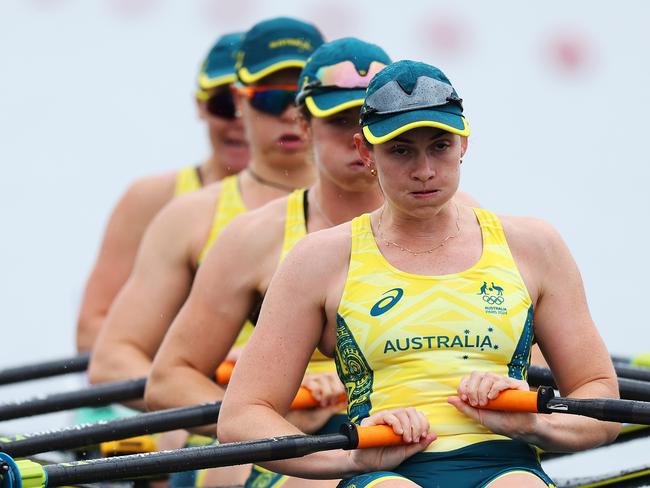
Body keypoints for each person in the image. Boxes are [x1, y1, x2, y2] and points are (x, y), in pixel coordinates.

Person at [217, 60, 620, 488]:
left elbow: (599, 397)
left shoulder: (534, 245)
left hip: (508, 465)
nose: (424, 169)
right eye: (401, 149)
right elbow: (242, 417)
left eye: (440, 146)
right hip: (385, 473)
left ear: (464, 142)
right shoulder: (319, 259)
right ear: (364, 152)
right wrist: (349, 459)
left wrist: (533, 426)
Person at [146, 40, 479, 488]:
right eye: (339, 120)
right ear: (303, 125)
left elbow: (531, 364)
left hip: (422, 439)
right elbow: (168, 382)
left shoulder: (472, 226)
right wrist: (285, 412)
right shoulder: (252, 237)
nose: (359, 133)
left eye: (373, 118)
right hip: (301, 445)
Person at [87, 16, 324, 487]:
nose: (290, 115)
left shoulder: (396, 208)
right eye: (272, 99)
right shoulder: (188, 214)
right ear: (239, 102)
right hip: (230, 423)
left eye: (304, 101)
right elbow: (112, 358)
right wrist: (249, 408)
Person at [76, 32, 249, 353]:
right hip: (198, 390)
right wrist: (202, 364)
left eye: (261, 104)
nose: (241, 121)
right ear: (200, 105)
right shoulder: (151, 198)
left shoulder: (328, 197)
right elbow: (90, 332)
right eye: (225, 105)